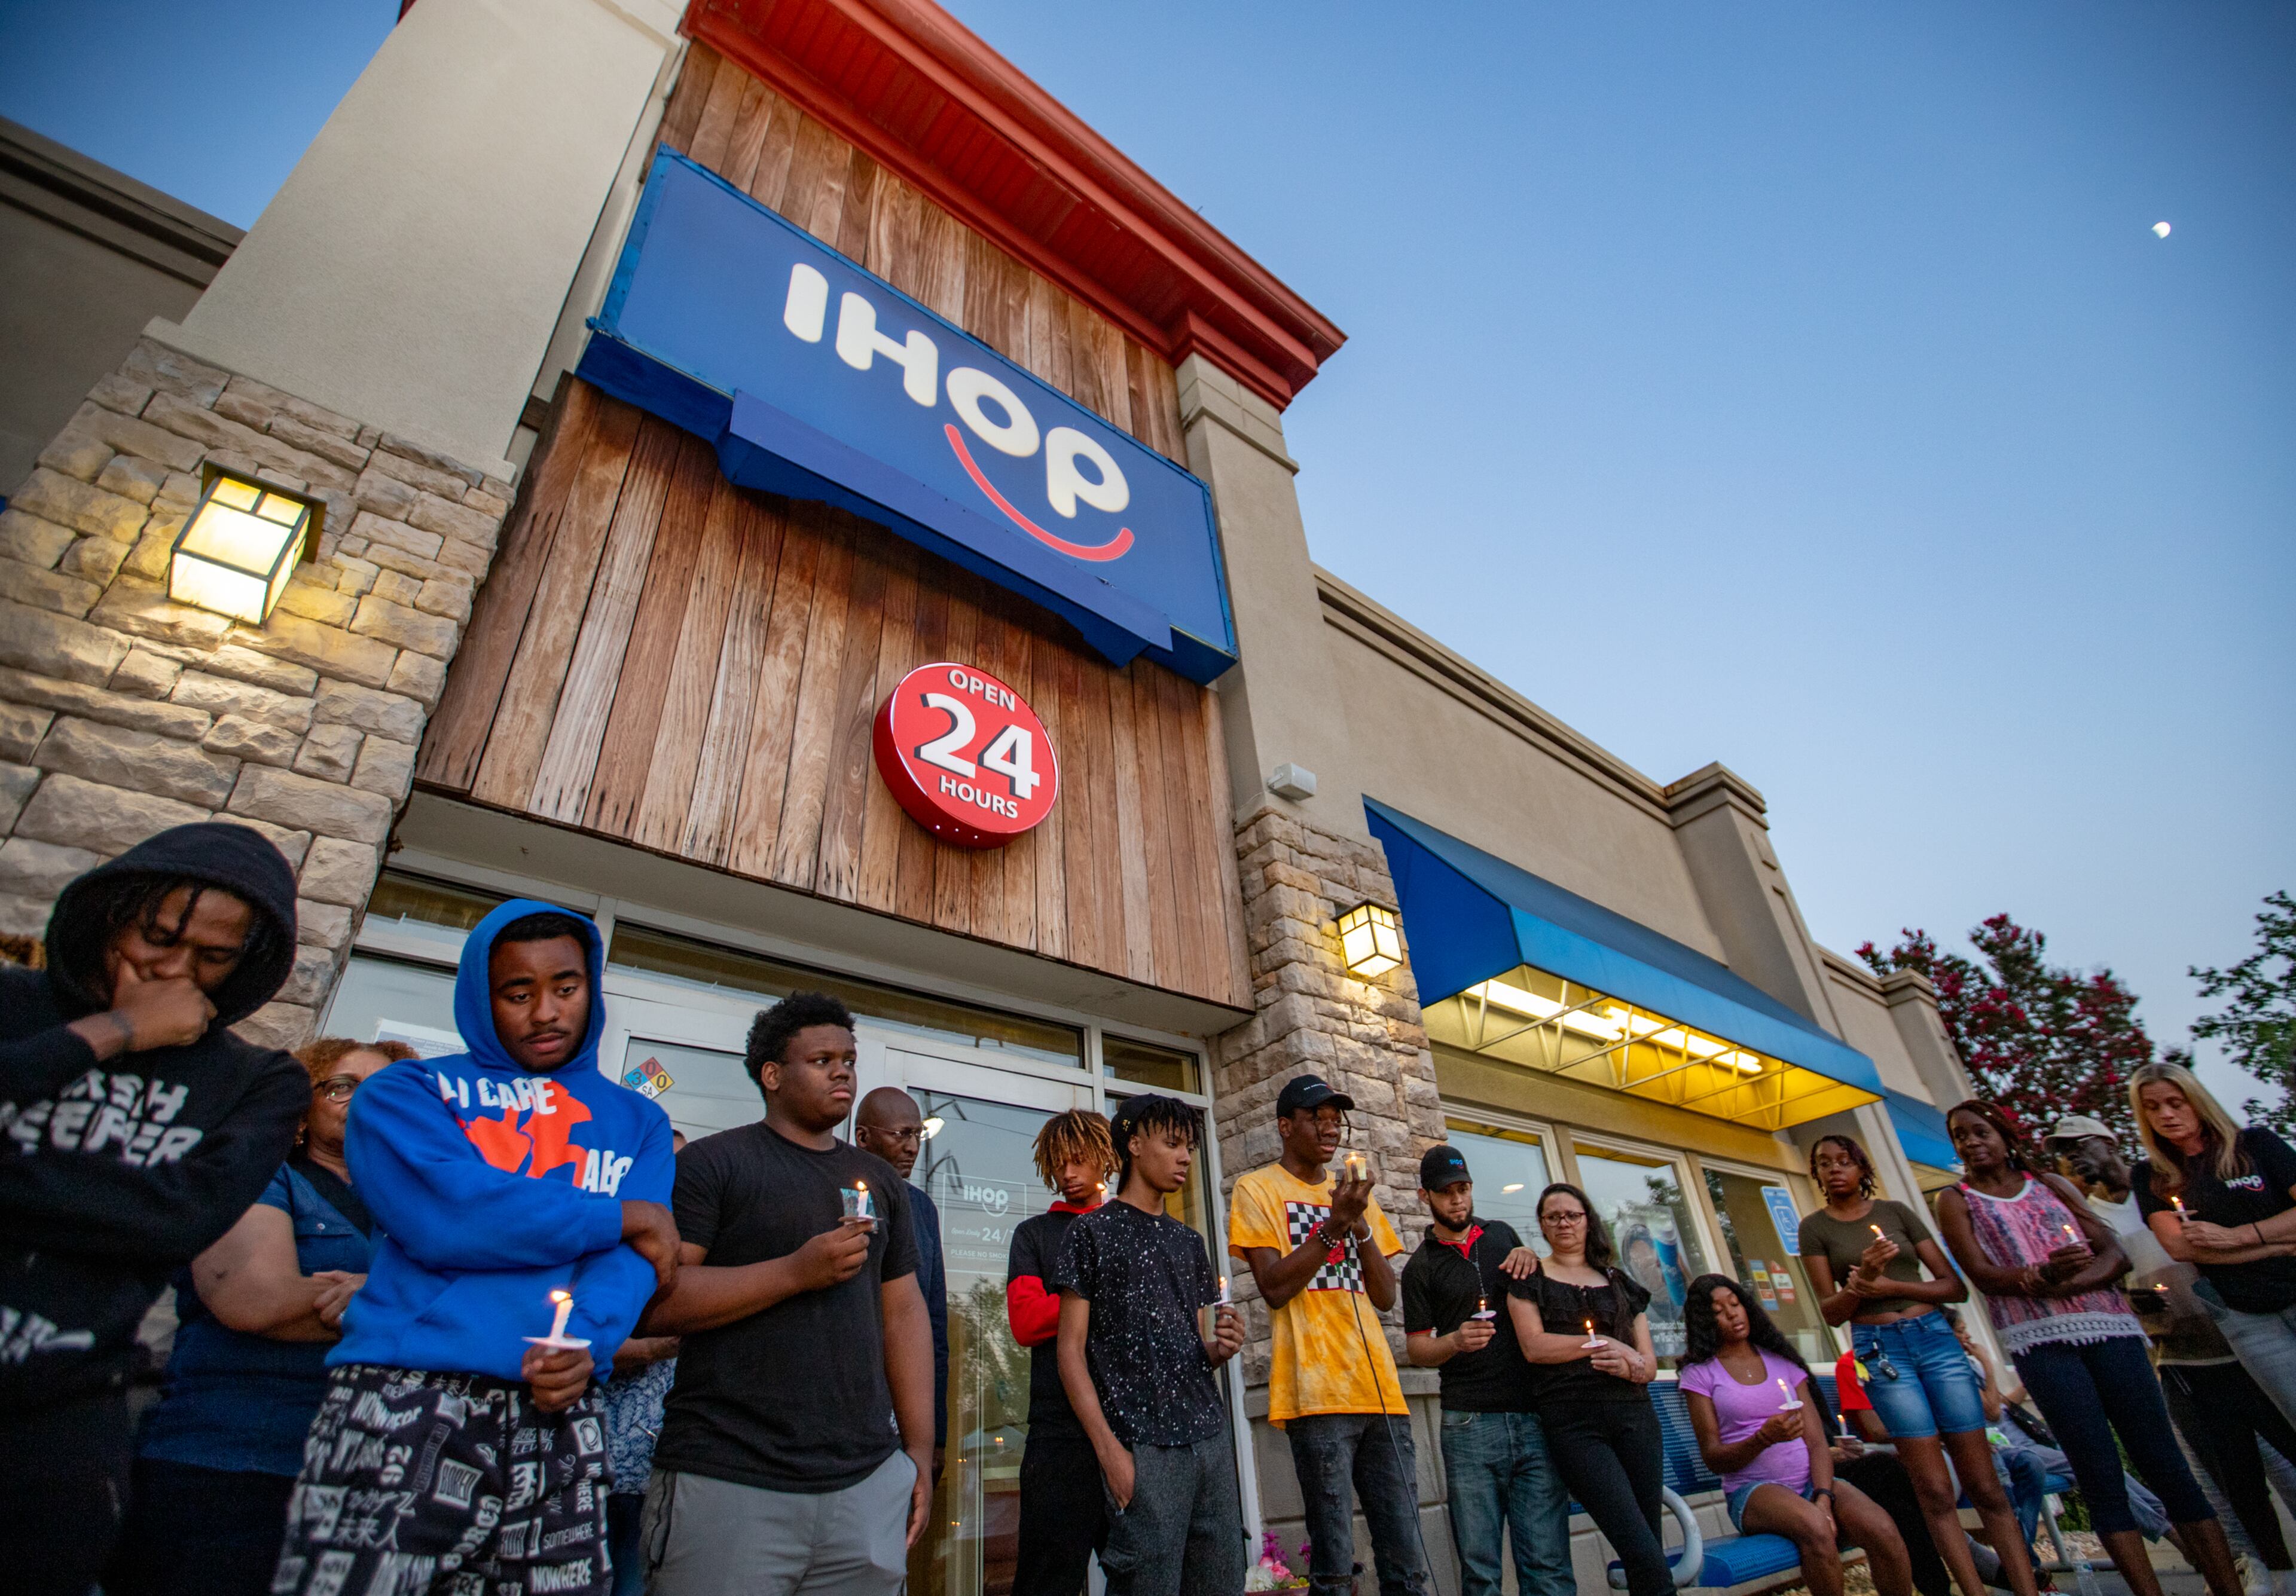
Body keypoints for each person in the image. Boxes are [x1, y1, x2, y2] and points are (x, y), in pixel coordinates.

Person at [271, 901, 682, 1596]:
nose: (546, 1012)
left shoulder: (639, 1120)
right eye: (517, 994)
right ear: (480, 997)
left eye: (566, 988)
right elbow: (449, 1214)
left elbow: (639, 1259)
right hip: (407, 1396)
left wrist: (581, 1342)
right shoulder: (408, 1093)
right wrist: (619, 1215)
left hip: (562, 1404)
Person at [0, 822, 310, 1596]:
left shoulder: (257, 1080)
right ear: (113, 913)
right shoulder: (14, 1005)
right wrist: (115, 1031)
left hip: (62, 1409)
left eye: (212, 956)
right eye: (158, 936)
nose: (174, 968)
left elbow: (181, 1219)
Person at [640, 992, 934, 1596]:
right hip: (729, 1477)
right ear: (772, 1075)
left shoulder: (881, 1183)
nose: (843, 1071)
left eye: (848, 1059)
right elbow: (655, 1304)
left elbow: (904, 1316)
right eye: (822, 1059)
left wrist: (918, 1455)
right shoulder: (712, 1164)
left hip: (865, 1482)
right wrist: (794, 1272)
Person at [109, 1038, 411, 1596]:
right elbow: (253, 1301)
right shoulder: (256, 1173)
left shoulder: (415, 1210)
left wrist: (365, 1296)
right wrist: (404, 1305)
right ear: (304, 1102)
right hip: (232, 1461)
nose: (363, 1102)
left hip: (361, 1480)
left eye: (385, 1091)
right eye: (342, 1087)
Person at [1935, 1098, 2240, 1596]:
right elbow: (1983, 1275)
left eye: (1980, 1132)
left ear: (2005, 1136)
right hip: (2041, 1344)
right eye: (1960, 1136)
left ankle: (2228, 1585)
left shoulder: (2051, 1185)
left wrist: (2064, 1285)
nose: (1971, 1142)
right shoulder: (1957, 1200)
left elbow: (2115, 1253)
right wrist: (2040, 1278)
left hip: (2110, 1330)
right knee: (2098, 1472)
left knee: (2165, 1462)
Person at [2049, 1109, 2296, 1592]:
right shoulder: (2087, 1219)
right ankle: (2265, 1569)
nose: (2073, 1158)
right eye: (2062, 1153)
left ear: (2109, 1140)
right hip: (2178, 1356)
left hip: (2238, 1334)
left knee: (2285, 1455)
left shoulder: (2161, 1185)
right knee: (2228, 1474)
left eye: (2079, 1145)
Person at [1796, 1131, 2035, 1596]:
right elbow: (1830, 1312)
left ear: (1863, 1168)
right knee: (1934, 1489)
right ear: (1818, 1176)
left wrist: (1886, 1287)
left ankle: (2026, 1588)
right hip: (1880, 1350)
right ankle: (1973, 1590)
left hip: (1935, 1340)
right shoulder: (1815, 1228)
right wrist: (1862, 1283)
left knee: (1983, 1483)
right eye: (1824, 1164)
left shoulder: (1896, 1214)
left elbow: (1954, 1287)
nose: (1834, 1169)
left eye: (1844, 1161)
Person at [1227, 1074, 1424, 1596]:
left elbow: (1384, 1296)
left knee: (1405, 1557)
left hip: (1380, 1391)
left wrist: (1357, 1223)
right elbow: (1273, 1287)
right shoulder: (1257, 1188)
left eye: (1336, 1118)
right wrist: (1332, 1225)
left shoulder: (1353, 1196)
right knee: (1335, 1563)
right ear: (1285, 1126)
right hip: (1316, 1397)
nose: (1330, 1127)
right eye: (1318, 1117)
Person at [1052, 1093, 1247, 1596]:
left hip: (1209, 1440)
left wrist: (1220, 1350)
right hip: (1142, 1448)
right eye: (1172, 1143)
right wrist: (1111, 1454)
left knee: (1220, 1584)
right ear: (1134, 1144)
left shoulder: (1190, 1241)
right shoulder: (1090, 1231)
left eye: (1189, 1146)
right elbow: (1070, 1352)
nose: (1185, 1157)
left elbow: (1187, 1352)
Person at [1401, 1142, 1571, 1596]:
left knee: (1548, 1565)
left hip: (1532, 1414)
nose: (1457, 1199)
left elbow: (1538, 1294)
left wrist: (1533, 1258)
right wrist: (1455, 1341)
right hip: (1468, 1424)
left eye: (1464, 1188)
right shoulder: (1420, 1267)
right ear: (1425, 1197)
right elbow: (1417, 1348)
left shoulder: (1502, 1235)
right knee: (1481, 1571)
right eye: (1446, 1192)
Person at [1679, 1274, 1913, 1596]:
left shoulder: (1782, 1364)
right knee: (1818, 1531)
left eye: (1736, 1304)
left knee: (1883, 1528)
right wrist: (1763, 1438)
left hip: (1810, 1483)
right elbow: (1713, 1457)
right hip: (1754, 1491)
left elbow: (1817, 1444)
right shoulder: (1700, 1374)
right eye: (1719, 1311)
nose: (1733, 1314)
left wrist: (1823, 1496)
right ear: (1705, 1321)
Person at [1504, 1182, 1671, 1596]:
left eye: (1572, 1215)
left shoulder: (1619, 1282)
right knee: (1638, 1544)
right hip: (1576, 1426)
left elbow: (1649, 1364)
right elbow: (1535, 1347)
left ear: (1587, 1221)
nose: (1563, 1223)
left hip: (1636, 1418)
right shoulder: (1530, 1279)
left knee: (1648, 1541)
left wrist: (1632, 1367)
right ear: (1541, 1225)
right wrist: (1603, 1344)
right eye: (1553, 1216)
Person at [2130, 1060, 2296, 1433]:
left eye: (2175, 1102)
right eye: (2153, 1108)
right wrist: (2278, 1245)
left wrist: (2239, 1237)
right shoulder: (2151, 1175)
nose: (2166, 1115)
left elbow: (2215, 1243)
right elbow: (2181, 1248)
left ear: (2196, 1099)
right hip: (2245, 1312)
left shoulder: (2255, 1144)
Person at [1006, 1108, 1117, 1596]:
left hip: (1134, 1430)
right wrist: (1095, 1297)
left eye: (1079, 1160)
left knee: (1147, 1577)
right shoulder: (1033, 1236)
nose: (1068, 1174)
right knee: (1048, 1581)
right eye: (1059, 1164)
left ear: (1106, 1158)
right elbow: (1026, 1323)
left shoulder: (1130, 1228)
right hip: (1058, 1438)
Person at [603, 1130, 685, 1596]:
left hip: (659, 1463)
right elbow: (575, 1341)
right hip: (601, 1457)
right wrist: (657, 1347)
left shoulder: (684, 1248)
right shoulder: (608, 1244)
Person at [854, 1086, 949, 1469]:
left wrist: (934, 1436)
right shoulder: (837, 1194)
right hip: (844, 1406)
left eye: (918, 1134)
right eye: (901, 1134)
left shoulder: (922, 1209)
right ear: (863, 1137)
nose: (913, 1147)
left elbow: (934, 1325)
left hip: (905, 1414)